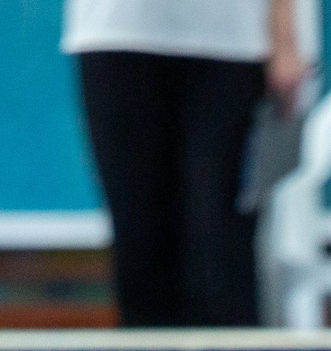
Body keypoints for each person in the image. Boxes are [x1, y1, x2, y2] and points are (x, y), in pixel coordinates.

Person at [64, 0, 307, 327]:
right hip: (117, 33)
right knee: (139, 245)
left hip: (231, 43)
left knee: (219, 251)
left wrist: (284, 39)